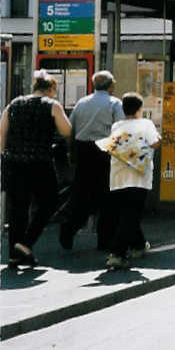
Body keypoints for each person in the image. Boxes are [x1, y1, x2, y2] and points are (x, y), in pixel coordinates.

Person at [0, 70, 72, 268]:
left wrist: (5, 155)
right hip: (40, 163)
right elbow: (67, 131)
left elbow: (2, 133)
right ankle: (26, 242)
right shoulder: (52, 105)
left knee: (18, 208)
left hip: (15, 163)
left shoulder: (13, 104)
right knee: (50, 202)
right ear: (51, 89)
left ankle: (14, 255)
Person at [59, 71, 124, 251]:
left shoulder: (82, 102)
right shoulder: (115, 103)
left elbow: (70, 128)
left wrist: (72, 153)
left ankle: (69, 227)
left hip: (84, 151)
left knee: (82, 194)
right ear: (111, 85)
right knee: (108, 197)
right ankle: (105, 239)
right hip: (105, 151)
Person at [102, 92, 161, 270]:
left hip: (118, 176)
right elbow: (154, 143)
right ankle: (117, 254)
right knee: (132, 214)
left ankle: (139, 245)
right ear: (139, 109)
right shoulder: (146, 124)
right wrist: (158, 139)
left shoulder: (117, 126)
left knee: (127, 212)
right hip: (138, 175)